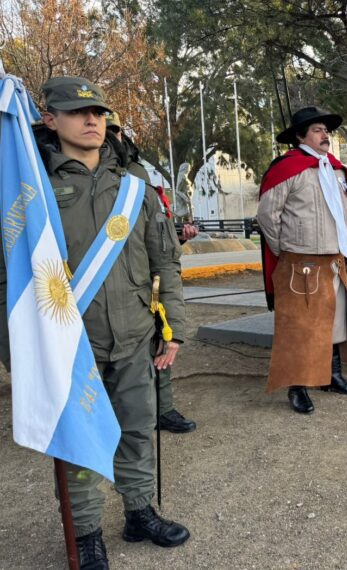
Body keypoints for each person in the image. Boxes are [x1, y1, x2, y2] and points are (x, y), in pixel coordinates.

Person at [0, 76, 191, 569]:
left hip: (133, 336)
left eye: (99, 112)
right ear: (49, 119)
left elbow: (164, 261)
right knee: (80, 439)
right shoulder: (30, 191)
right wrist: (16, 352)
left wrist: (174, 330)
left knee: (137, 428)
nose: (92, 120)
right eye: (79, 111)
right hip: (69, 346)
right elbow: (10, 276)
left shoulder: (134, 187)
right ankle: (85, 532)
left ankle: (139, 510)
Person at [257, 106, 347, 414]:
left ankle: (331, 374)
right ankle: (297, 386)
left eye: (326, 130)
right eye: (317, 130)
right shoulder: (287, 169)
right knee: (299, 327)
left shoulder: (334, 169)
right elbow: (267, 216)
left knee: (334, 323)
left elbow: (345, 212)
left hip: (333, 260)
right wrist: (287, 249)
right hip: (300, 261)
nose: (324, 135)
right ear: (300, 137)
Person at [105, 113, 197, 433]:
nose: (108, 135)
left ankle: (163, 407)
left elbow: (152, 233)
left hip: (145, 283)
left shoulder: (137, 173)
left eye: (114, 129)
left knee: (159, 342)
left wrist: (177, 236)